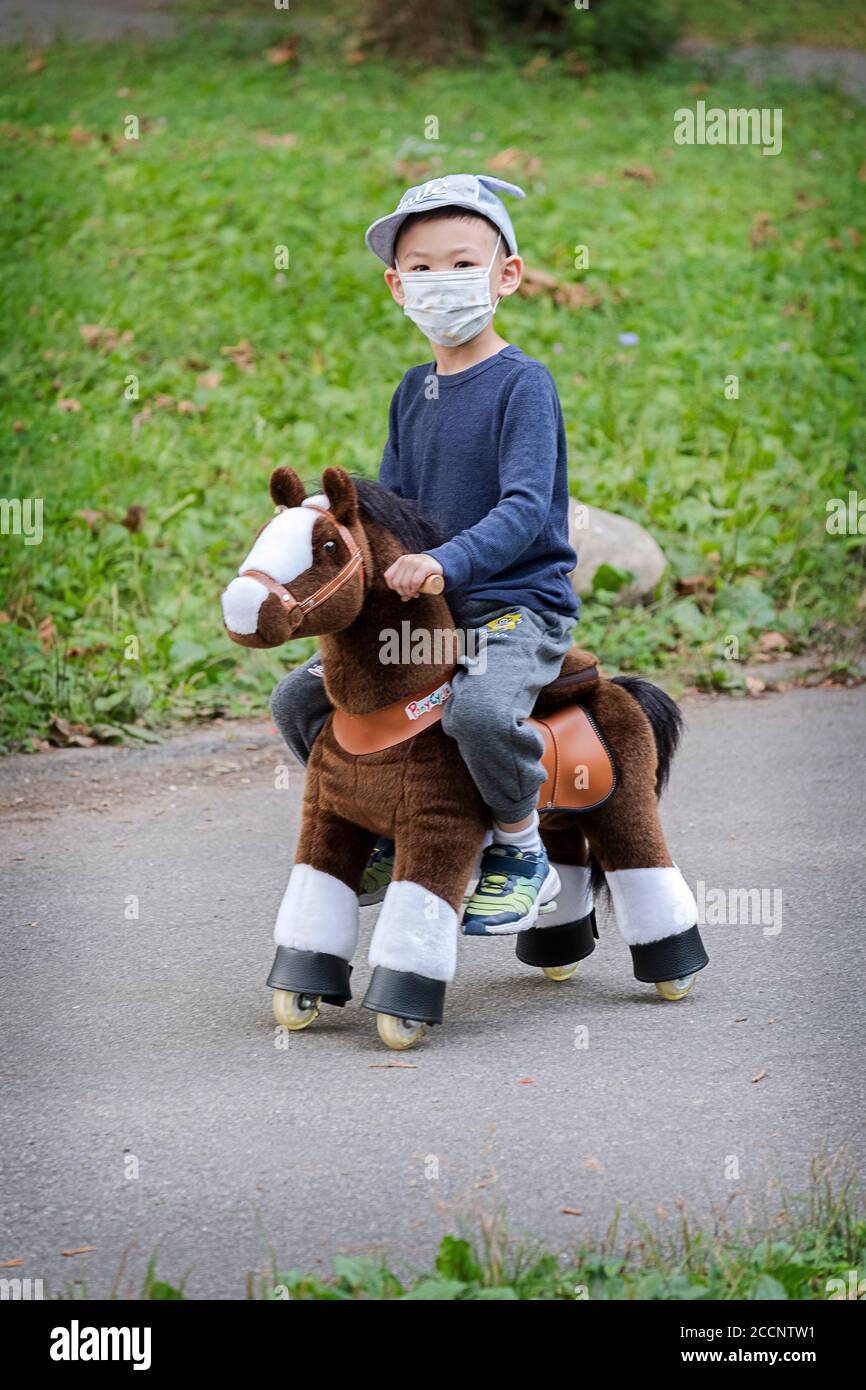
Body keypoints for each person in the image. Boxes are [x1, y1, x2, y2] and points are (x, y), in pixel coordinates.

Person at [271, 173, 579, 934]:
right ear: (396, 286)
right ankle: (380, 815)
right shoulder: (413, 391)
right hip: (426, 609)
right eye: (422, 268)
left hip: (512, 606)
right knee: (300, 699)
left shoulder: (522, 386)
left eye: (461, 262)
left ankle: (518, 847)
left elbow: (525, 509)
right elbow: (392, 508)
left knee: (477, 711)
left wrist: (448, 561)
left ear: (506, 274)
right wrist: (334, 526)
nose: (442, 281)